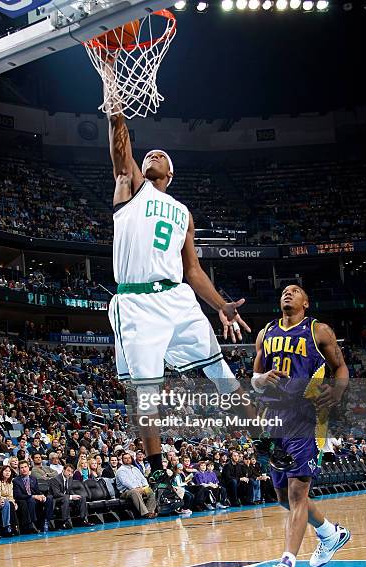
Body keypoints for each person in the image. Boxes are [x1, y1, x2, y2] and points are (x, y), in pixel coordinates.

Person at [105, 100, 254, 475]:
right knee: (146, 391)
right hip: (137, 300)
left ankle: (268, 444)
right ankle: (158, 473)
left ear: (170, 174)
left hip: (177, 297)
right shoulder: (130, 186)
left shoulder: (183, 212)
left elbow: (193, 269)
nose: (153, 154)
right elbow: (122, 147)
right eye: (149, 153)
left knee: (221, 370)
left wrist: (221, 304)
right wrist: (115, 108)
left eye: (161, 156)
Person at [252, 285, 350, 567]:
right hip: (274, 420)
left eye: (295, 291)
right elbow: (254, 377)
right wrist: (260, 379)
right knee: (283, 497)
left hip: (307, 416)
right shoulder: (266, 332)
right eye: (284, 290)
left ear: (306, 302)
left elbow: (342, 368)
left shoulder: (318, 330)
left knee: (297, 494)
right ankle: (329, 533)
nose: (288, 293)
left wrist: (336, 392)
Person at [13, 460, 55, 533]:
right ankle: (33, 523)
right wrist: (33, 496)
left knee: (49, 499)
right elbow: (18, 495)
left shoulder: (33, 478)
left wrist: (42, 495)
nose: (24, 469)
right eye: (21, 468)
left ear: (29, 467)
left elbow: (37, 491)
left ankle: (48, 521)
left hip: (34, 497)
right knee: (31, 500)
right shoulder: (16, 480)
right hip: (24, 499)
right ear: (19, 470)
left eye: (25, 467)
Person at [115, 453, 157, 518]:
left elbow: (143, 479)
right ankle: (145, 513)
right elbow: (126, 482)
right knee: (134, 492)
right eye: (125, 458)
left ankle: (150, 512)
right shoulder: (120, 470)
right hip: (125, 492)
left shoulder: (135, 469)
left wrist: (145, 487)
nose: (127, 460)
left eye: (129, 458)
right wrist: (136, 488)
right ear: (122, 460)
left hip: (140, 489)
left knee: (150, 491)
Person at [49, 464, 91, 529]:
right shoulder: (55, 479)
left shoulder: (70, 479)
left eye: (71, 472)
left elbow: (69, 490)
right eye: (68, 471)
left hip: (65, 498)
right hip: (56, 499)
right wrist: (70, 497)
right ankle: (64, 522)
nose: (69, 473)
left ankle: (83, 520)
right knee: (66, 498)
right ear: (63, 470)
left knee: (82, 497)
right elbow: (56, 494)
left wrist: (75, 496)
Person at [0, 465, 19, 534]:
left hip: (8, 502)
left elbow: (11, 496)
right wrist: (9, 500)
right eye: (6, 471)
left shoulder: (10, 483)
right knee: (9, 503)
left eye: (9, 471)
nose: (8, 473)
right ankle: (12, 526)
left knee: (12, 504)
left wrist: (14, 503)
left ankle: (12, 526)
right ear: (1, 472)